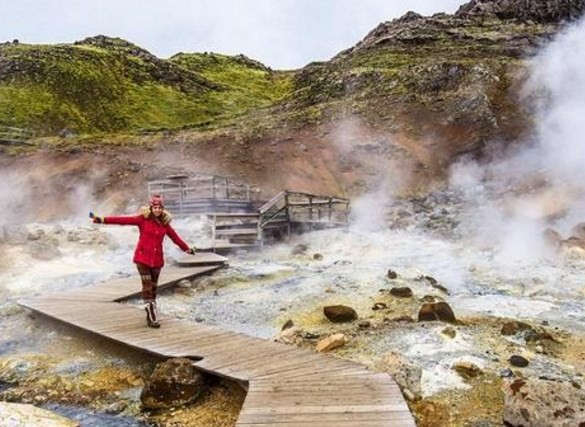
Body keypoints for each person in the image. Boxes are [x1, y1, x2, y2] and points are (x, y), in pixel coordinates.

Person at [90, 195, 195, 328]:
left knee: (154, 288)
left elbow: (175, 238)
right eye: (155, 207)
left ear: (162, 209)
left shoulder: (165, 223)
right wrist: (101, 219)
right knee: (147, 287)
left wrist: (187, 249)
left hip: (157, 260)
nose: (157, 210)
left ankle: (149, 312)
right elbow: (123, 220)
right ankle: (152, 317)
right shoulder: (143, 219)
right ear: (151, 208)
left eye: (159, 208)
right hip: (142, 259)